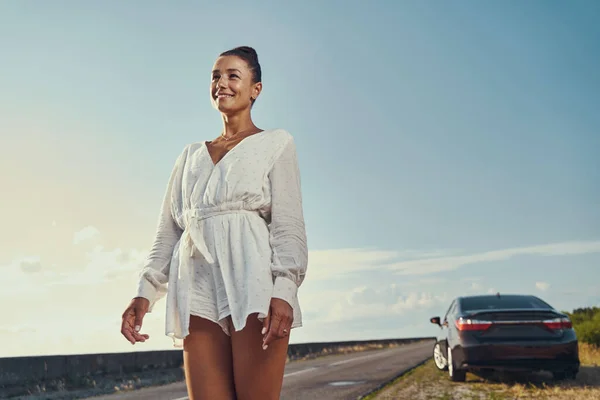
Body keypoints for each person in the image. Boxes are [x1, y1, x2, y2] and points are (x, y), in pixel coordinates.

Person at [120, 46, 308, 400]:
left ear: (256, 89)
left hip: (254, 286)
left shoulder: (276, 144)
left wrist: (284, 291)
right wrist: (144, 293)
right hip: (197, 287)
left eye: (233, 75)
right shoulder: (190, 155)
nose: (222, 83)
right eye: (215, 76)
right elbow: (169, 231)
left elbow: (289, 226)